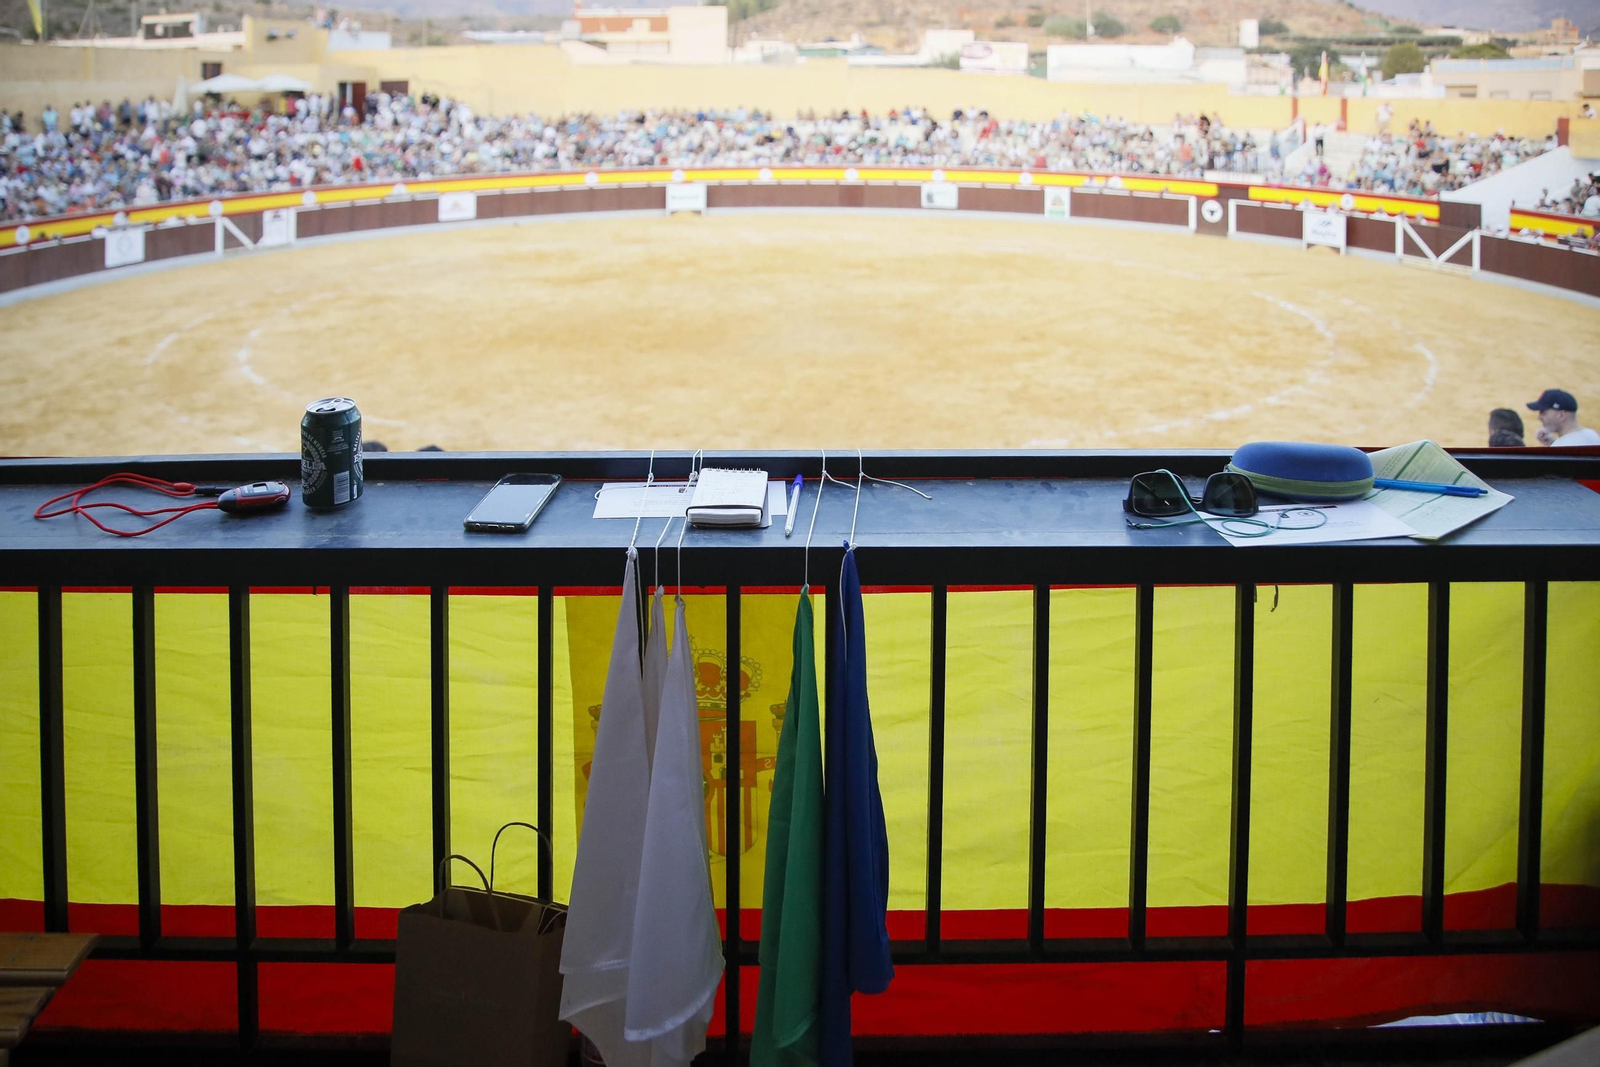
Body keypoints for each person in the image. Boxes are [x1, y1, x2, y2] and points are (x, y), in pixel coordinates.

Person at [1527, 389, 1600, 446]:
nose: (1539, 417)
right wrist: (1552, 442)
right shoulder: (1592, 435)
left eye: (1543, 413)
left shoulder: (1561, 446)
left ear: (1561, 415)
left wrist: (1555, 445)